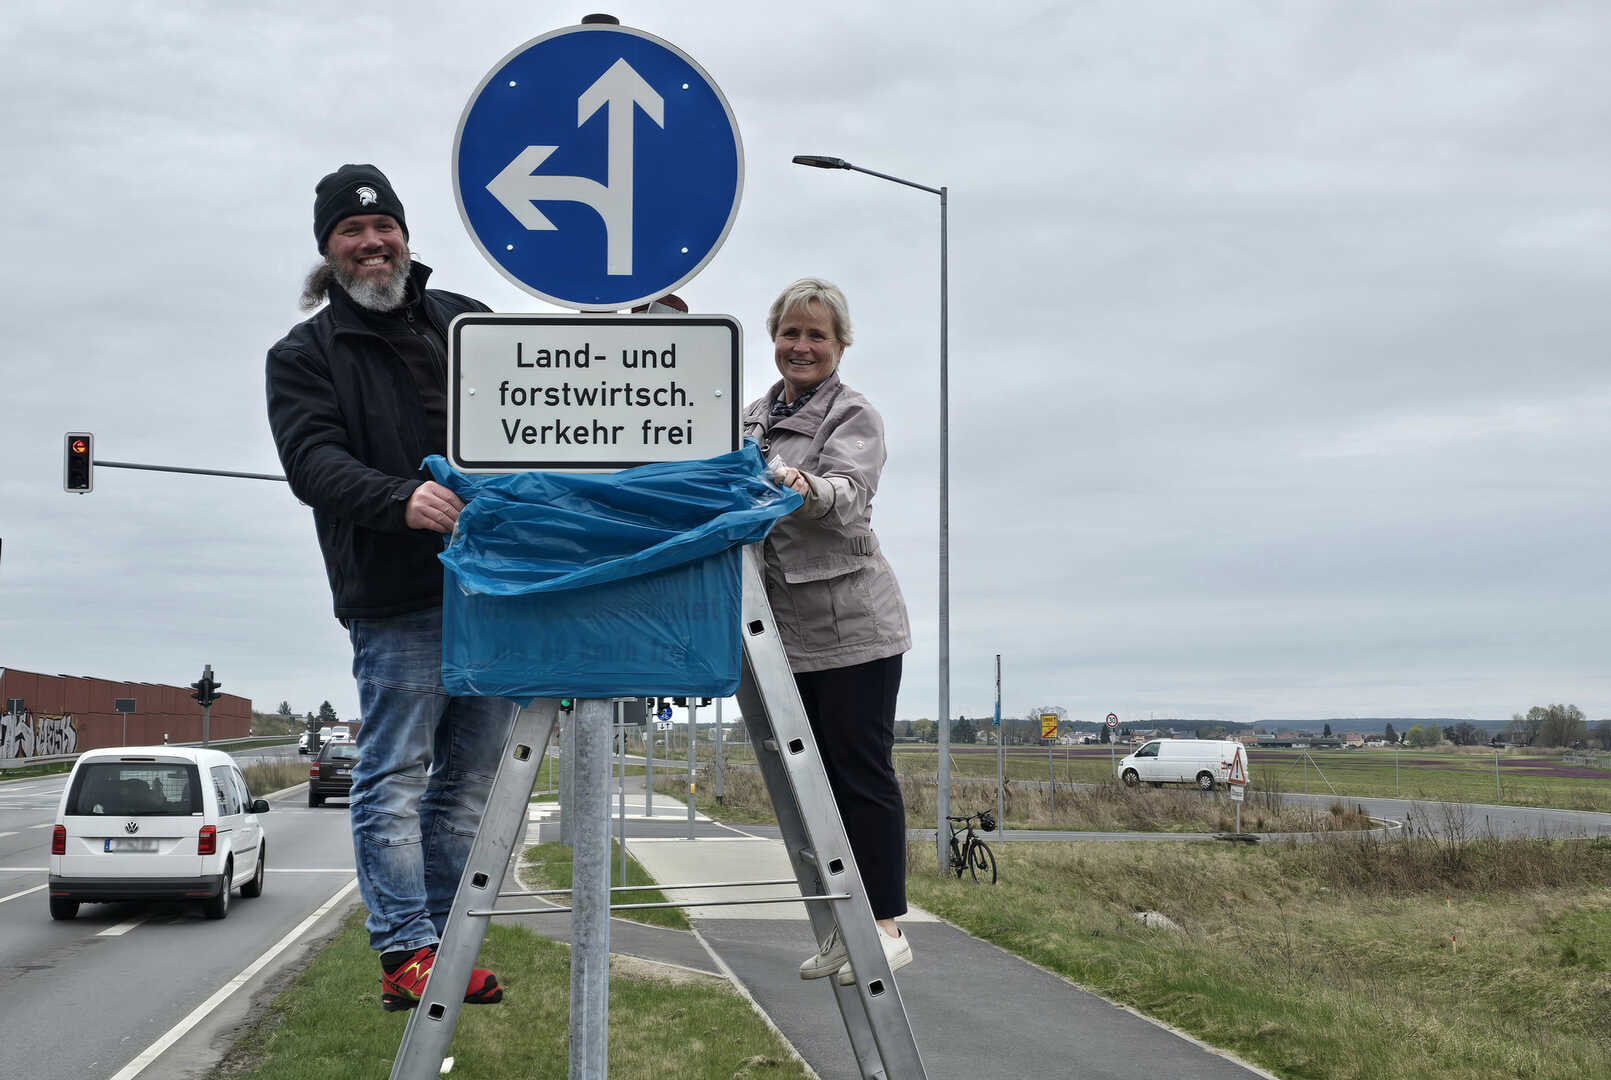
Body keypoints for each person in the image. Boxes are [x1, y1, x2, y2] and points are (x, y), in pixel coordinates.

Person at [265, 164, 518, 1012]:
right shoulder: (303, 355)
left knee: (469, 787)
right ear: (329, 249)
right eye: (352, 231)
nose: (372, 243)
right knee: (394, 778)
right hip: (396, 595)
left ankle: (446, 947)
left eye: (384, 228)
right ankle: (405, 948)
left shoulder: (467, 322)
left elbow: (537, 411)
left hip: (496, 593)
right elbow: (313, 463)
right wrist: (399, 499)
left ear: (404, 236)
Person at [741, 278, 914, 985]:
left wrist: (800, 485)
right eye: (791, 332)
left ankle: (885, 925)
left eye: (817, 335)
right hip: (781, 634)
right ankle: (846, 925)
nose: (802, 346)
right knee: (809, 783)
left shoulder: (853, 415)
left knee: (858, 774)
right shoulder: (751, 418)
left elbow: (847, 494)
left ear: (840, 345)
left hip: (853, 630)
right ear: (774, 339)